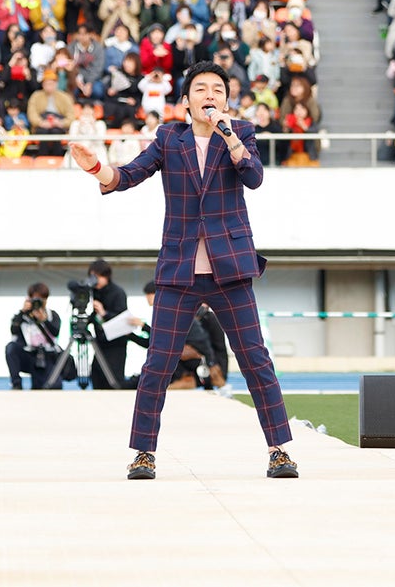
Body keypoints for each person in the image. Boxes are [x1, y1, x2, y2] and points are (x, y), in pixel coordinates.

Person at [69, 60, 296, 481]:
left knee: (255, 361)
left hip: (231, 269)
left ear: (226, 99)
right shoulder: (168, 138)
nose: (209, 95)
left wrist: (230, 139)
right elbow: (131, 174)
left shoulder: (241, 132)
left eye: (217, 89)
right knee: (158, 363)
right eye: (200, 89)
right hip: (180, 271)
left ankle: (279, 450)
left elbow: (254, 178)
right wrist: (97, 169)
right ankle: (143, 454)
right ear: (186, 101)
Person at [130, 280, 230, 391]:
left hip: (196, 358)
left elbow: (209, 343)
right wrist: (131, 335)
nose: (147, 298)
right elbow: (156, 341)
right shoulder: (167, 312)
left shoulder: (177, 311)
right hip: (186, 360)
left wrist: (214, 365)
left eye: (149, 294)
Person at [5, 282, 72, 390]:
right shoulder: (22, 316)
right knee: (11, 347)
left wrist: (43, 320)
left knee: (52, 386)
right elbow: (14, 330)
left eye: (42, 299)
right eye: (36, 299)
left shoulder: (51, 315)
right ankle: (16, 384)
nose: (39, 303)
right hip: (28, 354)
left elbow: (55, 332)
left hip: (46, 356)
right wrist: (22, 313)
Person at [86, 257, 131, 389]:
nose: (95, 281)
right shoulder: (94, 292)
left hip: (116, 345)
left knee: (113, 382)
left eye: (98, 277)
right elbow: (94, 316)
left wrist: (104, 313)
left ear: (106, 276)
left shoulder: (117, 293)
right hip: (100, 343)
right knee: (96, 377)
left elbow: (122, 320)